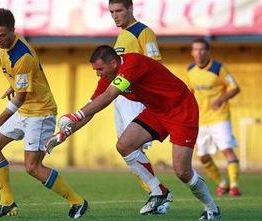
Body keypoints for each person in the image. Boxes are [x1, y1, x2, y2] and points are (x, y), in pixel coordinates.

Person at [46, 45, 221, 220]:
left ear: (114, 63)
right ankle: (159, 191)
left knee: (182, 171)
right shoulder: (108, 77)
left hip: (180, 109)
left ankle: (211, 210)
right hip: (156, 111)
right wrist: (63, 134)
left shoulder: (133, 63)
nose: (98, 74)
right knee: (124, 145)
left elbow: (109, 97)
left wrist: (76, 115)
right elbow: (91, 108)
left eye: (100, 69)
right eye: (95, 70)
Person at [0, 8, 88, 218]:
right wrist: (15, 85)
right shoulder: (5, 48)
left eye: (2, 35)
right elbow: (21, 81)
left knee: (32, 167)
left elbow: (20, 97)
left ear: (13, 30)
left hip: (40, 112)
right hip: (25, 109)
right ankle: (7, 203)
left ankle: (78, 202)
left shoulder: (22, 55)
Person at [109, 0, 169, 202]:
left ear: (130, 9)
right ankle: (157, 192)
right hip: (121, 98)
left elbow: (155, 64)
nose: (115, 15)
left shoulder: (143, 32)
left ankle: (158, 193)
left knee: (132, 147)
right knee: (125, 149)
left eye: (119, 10)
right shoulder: (122, 36)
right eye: (112, 11)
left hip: (135, 99)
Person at [186, 38, 241, 197]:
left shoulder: (218, 68)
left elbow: (235, 88)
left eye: (202, 49)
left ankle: (234, 186)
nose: (199, 53)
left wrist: (221, 99)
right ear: (192, 52)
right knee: (202, 156)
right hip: (201, 120)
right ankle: (222, 183)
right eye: (195, 49)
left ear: (208, 52)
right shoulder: (190, 70)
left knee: (227, 150)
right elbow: (190, 93)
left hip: (219, 117)